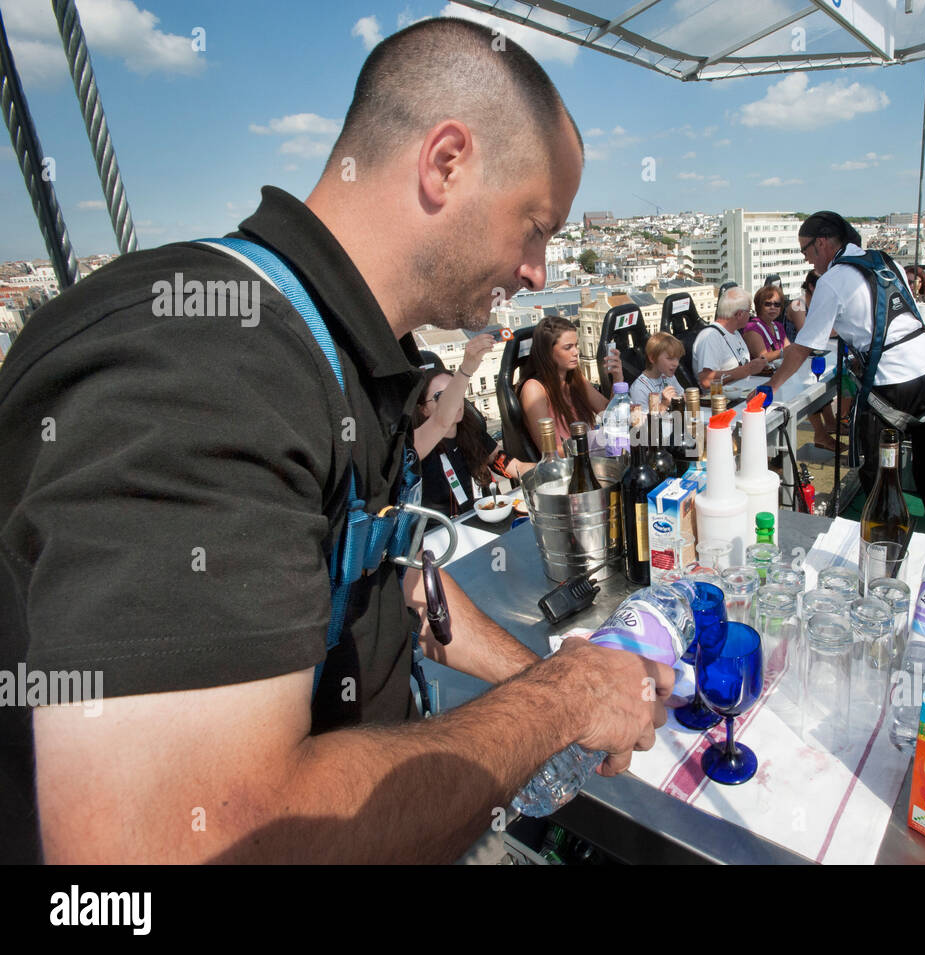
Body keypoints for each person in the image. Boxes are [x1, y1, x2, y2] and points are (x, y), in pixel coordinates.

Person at [0, 17, 673, 865]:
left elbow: (386, 573)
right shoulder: (203, 365)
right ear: (446, 162)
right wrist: (561, 701)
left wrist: (539, 677)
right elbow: (165, 845)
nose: (539, 271)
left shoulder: (346, 353)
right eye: (536, 225)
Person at [760, 211, 925, 530]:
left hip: (891, 383)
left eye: (806, 252)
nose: (809, 261)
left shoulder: (832, 280)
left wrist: (771, 385)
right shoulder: (884, 261)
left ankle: (884, 536)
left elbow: (802, 347)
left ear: (821, 244)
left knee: (877, 468)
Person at [416, 357, 534, 517]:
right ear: (423, 409)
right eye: (441, 396)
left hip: (489, 517)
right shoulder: (419, 450)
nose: (453, 402)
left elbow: (510, 465)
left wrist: (547, 470)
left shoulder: (472, 432)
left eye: (455, 392)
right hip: (444, 531)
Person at [517, 314, 621, 455]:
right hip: (572, 467)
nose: (576, 352)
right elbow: (550, 451)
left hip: (592, 457)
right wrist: (599, 441)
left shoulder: (574, 378)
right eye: (568, 347)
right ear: (548, 352)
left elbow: (609, 414)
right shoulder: (534, 390)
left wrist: (617, 378)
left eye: (576, 345)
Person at [693, 286, 773, 389]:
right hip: (723, 401)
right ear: (739, 314)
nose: (751, 316)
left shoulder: (735, 333)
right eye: (750, 311)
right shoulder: (710, 336)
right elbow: (706, 380)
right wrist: (746, 370)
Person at [629, 331, 683, 408]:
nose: (676, 363)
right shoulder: (639, 389)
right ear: (652, 358)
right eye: (670, 358)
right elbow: (642, 419)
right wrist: (664, 404)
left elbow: (682, 395)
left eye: (678, 358)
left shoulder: (669, 377)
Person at [743, 285, 788, 362]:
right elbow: (763, 358)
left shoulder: (778, 326)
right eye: (768, 304)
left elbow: (789, 349)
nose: (773, 307)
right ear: (759, 306)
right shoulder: (752, 328)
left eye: (777, 304)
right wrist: (785, 351)